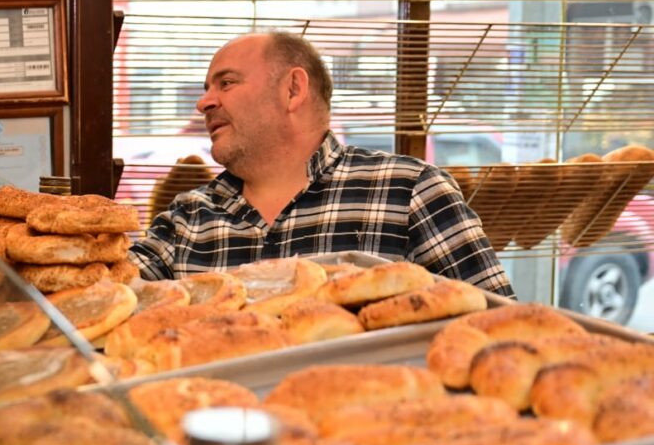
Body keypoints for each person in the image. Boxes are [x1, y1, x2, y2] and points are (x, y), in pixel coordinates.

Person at [129, 31, 515, 297]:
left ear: (293, 89)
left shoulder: (410, 191)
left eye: (225, 83)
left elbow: (501, 335)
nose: (204, 103)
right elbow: (102, 301)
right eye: (206, 89)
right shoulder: (188, 218)